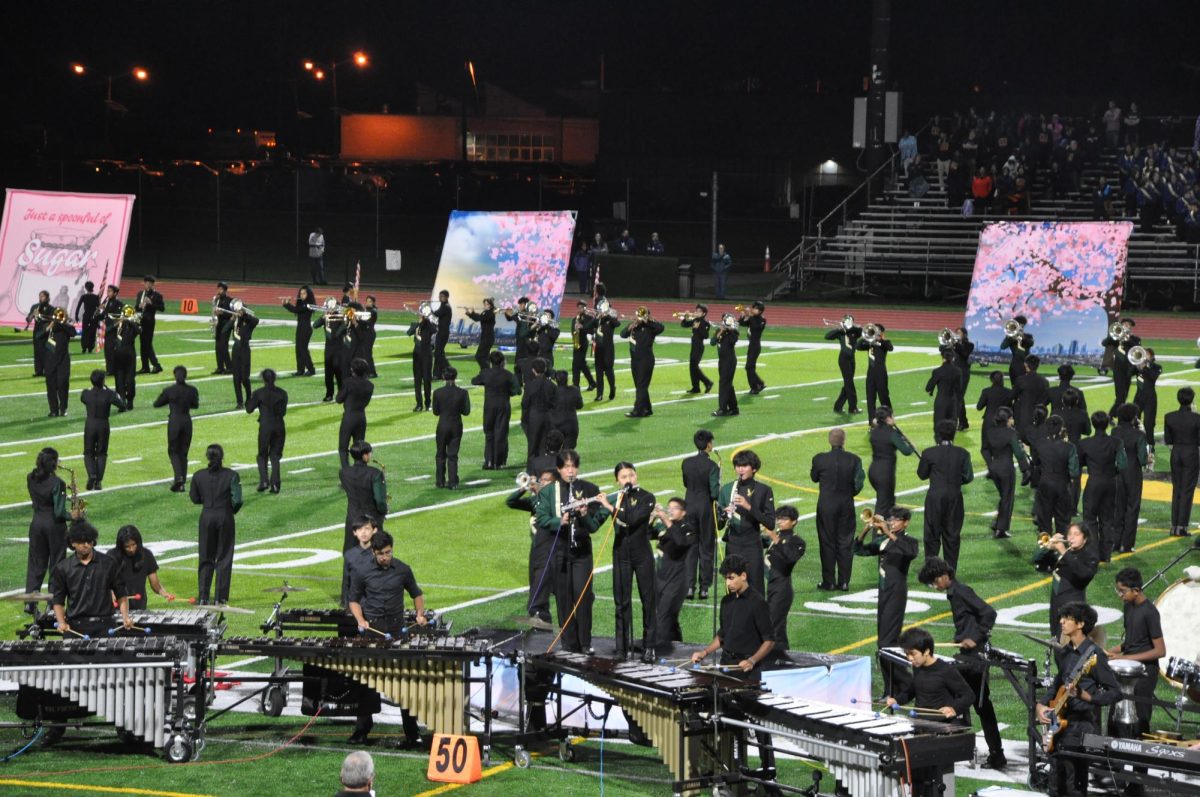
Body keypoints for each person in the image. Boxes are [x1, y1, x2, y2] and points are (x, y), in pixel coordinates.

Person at [690, 555, 776, 779]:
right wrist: (705, 652)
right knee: (729, 718)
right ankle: (734, 766)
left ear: (743, 576)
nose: (728, 583)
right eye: (726, 579)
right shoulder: (727, 602)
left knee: (758, 723)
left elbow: (769, 640)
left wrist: (752, 661)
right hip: (727, 666)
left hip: (748, 671)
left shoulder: (758, 602)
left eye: (731, 578)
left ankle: (769, 768)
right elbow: (723, 635)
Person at [918, 558, 1007, 769]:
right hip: (967, 653)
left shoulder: (961, 591)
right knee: (971, 701)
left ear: (943, 576)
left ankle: (993, 753)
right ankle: (973, 748)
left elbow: (989, 613)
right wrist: (961, 636)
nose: (934, 587)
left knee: (979, 704)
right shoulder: (954, 593)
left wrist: (975, 638)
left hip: (975, 657)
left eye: (933, 582)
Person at [347, 530, 427, 747]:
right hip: (373, 631)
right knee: (367, 682)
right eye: (381, 553)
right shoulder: (362, 571)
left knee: (404, 683)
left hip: (397, 630)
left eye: (388, 552)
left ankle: (412, 733)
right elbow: (353, 600)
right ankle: (362, 730)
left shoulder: (402, 569)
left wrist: (419, 614)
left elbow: (416, 594)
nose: (385, 557)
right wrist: (360, 619)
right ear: (373, 552)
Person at [1035, 602, 1119, 797]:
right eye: (1062, 617)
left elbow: (1115, 692)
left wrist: (1086, 696)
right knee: (1055, 783)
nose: (1061, 622)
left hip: (1081, 726)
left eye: (1068, 618)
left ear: (1080, 624)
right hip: (1059, 725)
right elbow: (1057, 685)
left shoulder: (1094, 655)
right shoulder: (1066, 653)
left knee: (1074, 786)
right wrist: (1040, 705)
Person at [533, 450, 613, 653]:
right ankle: (569, 643)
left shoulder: (589, 489)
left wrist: (584, 515)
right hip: (559, 551)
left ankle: (585, 643)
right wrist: (559, 521)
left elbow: (594, 525)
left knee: (583, 597)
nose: (571, 470)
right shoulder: (549, 491)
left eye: (573, 466)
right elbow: (541, 518)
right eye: (566, 466)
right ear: (559, 469)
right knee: (563, 598)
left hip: (581, 552)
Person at [885, 627, 976, 797]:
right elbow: (912, 690)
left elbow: (969, 695)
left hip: (938, 732)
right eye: (907, 654)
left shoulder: (945, 671)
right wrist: (897, 699)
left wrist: (953, 708)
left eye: (912, 654)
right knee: (915, 778)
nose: (909, 659)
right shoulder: (918, 667)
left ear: (926, 651)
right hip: (918, 727)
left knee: (935, 781)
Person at [855, 507, 919, 695]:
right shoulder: (883, 541)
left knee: (887, 642)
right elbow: (858, 549)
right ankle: (891, 689)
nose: (892, 521)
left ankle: (906, 684)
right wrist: (867, 529)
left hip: (896, 591)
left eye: (897, 519)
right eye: (891, 519)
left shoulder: (909, 541)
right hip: (883, 592)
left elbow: (909, 552)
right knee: (883, 644)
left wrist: (889, 532)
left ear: (906, 522)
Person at [608, 462, 658, 661]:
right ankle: (621, 648)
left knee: (648, 601)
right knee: (621, 603)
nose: (628, 479)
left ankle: (649, 647)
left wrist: (609, 506)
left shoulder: (647, 497)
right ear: (617, 480)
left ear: (636, 476)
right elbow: (595, 522)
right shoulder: (616, 498)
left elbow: (632, 519)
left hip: (642, 555)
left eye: (631, 475)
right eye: (623, 477)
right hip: (621, 554)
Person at [1106, 567, 1165, 738]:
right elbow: (1132, 642)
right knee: (1115, 711)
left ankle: (1141, 762)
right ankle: (1114, 757)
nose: (1120, 595)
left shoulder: (1150, 613)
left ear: (1136, 590)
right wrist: (1110, 652)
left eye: (1123, 591)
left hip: (1145, 672)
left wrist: (1124, 657)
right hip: (1127, 667)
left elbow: (1160, 650)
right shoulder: (1128, 607)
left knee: (1140, 717)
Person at [51, 520, 133, 636]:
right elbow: (58, 600)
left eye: (89, 541)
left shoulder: (108, 563)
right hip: (75, 627)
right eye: (82, 542)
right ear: (73, 543)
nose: (86, 545)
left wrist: (125, 617)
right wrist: (61, 622)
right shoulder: (63, 568)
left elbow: (121, 593)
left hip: (105, 626)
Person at [810, 429, 865, 591]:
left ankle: (829, 581)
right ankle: (844, 581)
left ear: (829, 441)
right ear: (844, 441)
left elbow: (814, 478)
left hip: (825, 505)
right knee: (845, 542)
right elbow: (859, 483)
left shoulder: (819, 459)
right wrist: (849, 493)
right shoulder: (854, 460)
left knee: (826, 542)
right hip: (846, 504)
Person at [189, 444, 243, 605]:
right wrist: (229, 510)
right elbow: (238, 500)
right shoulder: (232, 475)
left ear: (207, 457)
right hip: (225, 516)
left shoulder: (198, 475)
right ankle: (221, 597)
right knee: (224, 557)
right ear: (222, 457)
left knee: (205, 556)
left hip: (206, 516)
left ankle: (204, 596)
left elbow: (194, 498)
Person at [917, 420, 973, 571]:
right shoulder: (963, 453)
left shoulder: (929, 453)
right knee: (952, 535)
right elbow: (968, 477)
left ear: (938, 435)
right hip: (955, 497)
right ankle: (950, 571)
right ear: (954, 434)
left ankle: (932, 570)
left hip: (935, 497)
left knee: (932, 535)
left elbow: (921, 475)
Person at [720, 449, 777, 596]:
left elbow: (770, 523)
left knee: (755, 588)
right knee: (733, 588)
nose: (740, 469)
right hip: (733, 544)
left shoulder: (764, 490)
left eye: (744, 465)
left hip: (752, 545)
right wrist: (723, 516)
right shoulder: (727, 490)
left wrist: (749, 507)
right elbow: (719, 525)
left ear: (754, 468)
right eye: (738, 466)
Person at [506, 468, 557, 625]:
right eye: (541, 480)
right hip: (535, 547)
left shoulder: (554, 501)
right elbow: (511, 501)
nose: (541, 482)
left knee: (543, 586)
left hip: (550, 548)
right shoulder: (535, 501)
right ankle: (538, 618)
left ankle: (542, 617)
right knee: (535, 582)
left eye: (546, 480)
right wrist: (524, 487)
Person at [340, 442, 388, 605]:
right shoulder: (374, 474)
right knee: (374, 557)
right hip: (370, 520)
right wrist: (383, 512)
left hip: (352, 519)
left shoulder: (344, 472)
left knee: (350, 556)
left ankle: (346, 598)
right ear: (365, 455)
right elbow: (380, 501)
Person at [25, 448, 71, 615]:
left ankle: (30, 601)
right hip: (54, 525)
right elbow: (59, 512)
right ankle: (53, 603)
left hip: (36, 523)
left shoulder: (30, 478)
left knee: (36, 562)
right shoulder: (57, 483)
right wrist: (73, 515)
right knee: (57, 564)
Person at [1077, 412, 1127, 560]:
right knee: (1107, 520)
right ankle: (1106, 554)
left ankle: (1093, 553)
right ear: (1106, 424)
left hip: (1093, 482)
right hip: (1111, 482)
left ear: (1093, 424)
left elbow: (1079, 464)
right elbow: (1123, 464)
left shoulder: (1084, 443)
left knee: (1090, 518)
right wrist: (1113, 470)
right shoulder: (1116, 442)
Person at [1038, 522, 1098, 639]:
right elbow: (1039, 563)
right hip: (1056, 604)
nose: (1071, 537)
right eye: (1070, 534)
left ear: (1085, 539)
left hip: (1072, 609)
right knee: (1055, 640)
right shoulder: (1068, 552)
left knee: (1067, 645)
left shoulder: (1089, 556)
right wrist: (1048, 549)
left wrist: (1063, 551)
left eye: (1076, 534)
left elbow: (1083, 574)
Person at [652, 498, 696, 653]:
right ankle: (678, 648)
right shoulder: (663, 525)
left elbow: (681, 542)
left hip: (677, 580)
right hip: (660, 578)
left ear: (683, 512)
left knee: (662, 617)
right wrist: (651, 519)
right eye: (668, 507)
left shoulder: (687, 527)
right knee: (670, 618)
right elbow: (645, 534)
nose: (670, 510)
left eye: (674, 508)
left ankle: (659, 652)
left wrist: (666, 520)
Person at [682, 429, 720, 600]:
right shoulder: (712, 466)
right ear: (709, 444)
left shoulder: (686, 463)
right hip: (705, 508)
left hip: (688, 505)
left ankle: (689, 587)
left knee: (690, 547)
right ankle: (704, 587)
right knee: (706, 547)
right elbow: (714, 493)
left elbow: (685, 483)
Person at [981, 407, 1030, 539]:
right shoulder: (1011, 433)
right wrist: (1025, 469)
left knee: (1004, 497)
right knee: (1007, 498)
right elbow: (1019, 453)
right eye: (1011, 418)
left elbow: (984, 450)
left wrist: (990, 465)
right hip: (1006, 468)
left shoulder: (990, 432)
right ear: (1007, 420)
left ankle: (997, 522)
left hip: (994, 468)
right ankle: (1001, 529)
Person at [764, 505, 806, 652]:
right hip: (772, 585)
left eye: (784, 519)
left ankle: (777, 655)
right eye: (778, 518)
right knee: (776, 626)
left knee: (774, 624)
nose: (779, 521)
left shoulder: (797, 541)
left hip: (782, 586)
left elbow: (790, 558)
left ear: (794, 521)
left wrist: (775, 539)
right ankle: (782, 656)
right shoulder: (778, 536)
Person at [153, 366, 200, 492]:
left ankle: (178, 478)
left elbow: (157, 404)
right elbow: (195, 405)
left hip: (174, 421)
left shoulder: (170, 390)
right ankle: (182, 482)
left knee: (173, 451)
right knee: (183, 452)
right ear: (186, 375)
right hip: (187, 421)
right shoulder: (192, 390)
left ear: (175, 375)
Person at [1031, 416, 1079, 537]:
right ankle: (1060, 550)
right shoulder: (1069, 447)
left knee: (1044, 521)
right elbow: (1074, 472)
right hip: (1062, 486)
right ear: (1061, 429)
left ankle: (1045, 549)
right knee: (1062, 521)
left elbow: (1035, 462)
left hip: (1045, 484)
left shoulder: (1040, 444)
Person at [80, 369, 127, 490]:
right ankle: (98, 482)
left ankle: (92, 474)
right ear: (103, 381)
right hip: (103, 424)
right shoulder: (109, 394)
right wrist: (109, 390)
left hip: (90, 424)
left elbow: (84, 398)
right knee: (101, 453)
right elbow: (122, 404)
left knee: (88, 453)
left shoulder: (86, 393)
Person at [472, 351, 519, 470]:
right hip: (503, 405)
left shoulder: (486, 373)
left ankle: (488, 461)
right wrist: (508, 392)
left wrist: (484, 376)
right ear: (503, 361)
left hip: (489, 406)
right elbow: (517, 390)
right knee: (501, 434)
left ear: (490, 361)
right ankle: (499, 462)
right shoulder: (507, 374)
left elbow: (474, 381)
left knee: (489, 433)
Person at [1112, 403, 1149, 552]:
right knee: (1132, 507)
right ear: (1134, 417)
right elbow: (1143, 459)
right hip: (1133, 473)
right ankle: (1127, 545)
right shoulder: (1139, 435)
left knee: (1118, 507)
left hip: (1117, 473)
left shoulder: (1115, 431)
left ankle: (1115, 542)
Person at [110, 525, 175, 610]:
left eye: (133, 545)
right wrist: (111, 593)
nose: (131, 549)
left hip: (139, 607)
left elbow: (155, 584)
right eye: (127, 546)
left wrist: (164, 593)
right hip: (117, 608)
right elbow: (105, 581)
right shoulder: (112, 556)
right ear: (121, 546)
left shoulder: (146, 555)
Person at [244, 368, 288, 494]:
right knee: (275, 456)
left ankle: (264, 481)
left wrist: (250, 397)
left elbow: (249, 409)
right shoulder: (283, 393)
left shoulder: (259, 393)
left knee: (262, 455)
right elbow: (283, 412)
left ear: (263, 379)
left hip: (265, 426)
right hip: (279, 425)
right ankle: (275, 485)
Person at [1164, 387, 1200, 536]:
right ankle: (1182, 526)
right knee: (1187, 490)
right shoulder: (1197, 418)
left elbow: (1168, 440)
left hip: (1176, 452)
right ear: (1192, 400)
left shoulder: (1169, 416)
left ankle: (1174, 526)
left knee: (1177, 488)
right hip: (1191, 452)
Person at [868, 407, 915, 518]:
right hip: (885, 473)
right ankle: (877, 534)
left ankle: (888, 531)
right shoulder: (892, 433)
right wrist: (912, 445)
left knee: (889, 503)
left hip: (873, 471)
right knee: (883, 507)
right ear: (888, 418)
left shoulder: (873, 432)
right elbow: (907, 451)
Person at [620, 309, 665, 418]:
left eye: (642, 315)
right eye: (638, 315)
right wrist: (630, 327)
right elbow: (622, 334)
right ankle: (647, 409)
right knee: (640, 386)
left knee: (641, 386)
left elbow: (661, 328)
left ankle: (638, 410)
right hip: (634, 360)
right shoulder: (634, 326)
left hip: (646, 360)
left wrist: (648, 321)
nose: (639, 317)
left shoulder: (651, 327)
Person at [432, 366, 470, 489]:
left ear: (443, 377)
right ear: (455, 377)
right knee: (453, 455)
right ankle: (453, 482)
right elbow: (466, 411)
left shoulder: (437, 393)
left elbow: (436, 412)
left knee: (440, 454)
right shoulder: (463, 393)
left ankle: (440, 481)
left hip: (442, 425)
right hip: (456, 425)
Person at [336, 358, 374, 468]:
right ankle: (361, 472)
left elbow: (339, 399)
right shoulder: (370, 385)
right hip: (361, 417)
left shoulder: (348, 382)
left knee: (343, 448)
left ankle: (346, 472)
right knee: (360, 448)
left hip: (349, 417)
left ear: (353, 370)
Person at [520, 357, 556, 471]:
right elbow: (556, 403)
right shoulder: (551, 385)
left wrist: (524, 419)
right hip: (548, 417)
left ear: (533, 370)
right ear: (545, 369)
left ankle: (530, 473)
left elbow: (524, 403)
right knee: (543, 447)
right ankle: (543, 472)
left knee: (532, 447)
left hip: (534, 416)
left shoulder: (529, 385)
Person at [226, 301, 259, 409]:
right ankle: (239, 402)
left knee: (245, 378)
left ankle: (249, 397)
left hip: (245, 349)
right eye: (237, 310)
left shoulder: (249, 321)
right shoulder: (235, 320)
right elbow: (224, 331)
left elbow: (256, 320)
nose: (238, 311)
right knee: (236, 378)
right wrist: (232, 319)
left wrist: (244, 315)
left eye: (240, 309)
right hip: (235, 349)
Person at [1102, 318, 1140, 412]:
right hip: (1118, 369)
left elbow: (1137, 348)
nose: (1127, 325)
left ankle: (1112, 415)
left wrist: (1127, 338)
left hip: (1129, 370)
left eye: (1129, 324)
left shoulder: (1135, 339)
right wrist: (1114, 336)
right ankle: (1113, 416)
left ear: (1131, 327)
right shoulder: (1116, 339)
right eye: (1125, 324)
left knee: (1125, 395)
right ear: (1121, 325)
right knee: (1120, 396)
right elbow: (1104, 343)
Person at [825, 317, 862, 414]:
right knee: (849, 383)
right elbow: (827, 336)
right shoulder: (840, 333)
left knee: (848, 384)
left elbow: (860, 330)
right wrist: (838, 329)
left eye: (849, 321)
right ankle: (853, 407)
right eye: (846, 321)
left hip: (852, 359)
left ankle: (838, 406)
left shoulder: (855, 331)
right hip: (843, 359)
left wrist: (851, 327)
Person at [43, 310, 76, 417]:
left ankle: (63, 408)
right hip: (49, 360)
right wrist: (51, 324)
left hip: (63, 360)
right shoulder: (49, 326)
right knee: (51, 385)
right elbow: (39, 336)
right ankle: (53, 410)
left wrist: (62, 323)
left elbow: (73, 333)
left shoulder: (66, 328)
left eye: (61, 316)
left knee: (63, 384)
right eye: (57, 316)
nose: (58, 318)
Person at [857, 324, 894, 417]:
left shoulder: (885, 342)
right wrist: (865, 337)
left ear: (880, 332)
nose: (874, 332)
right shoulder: (869, 343)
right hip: (870, 374)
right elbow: (858, 346)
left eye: (876, 330)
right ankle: (872, 423)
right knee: (870, 399)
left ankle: (889, 417)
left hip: (881, 373)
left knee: (883, 396)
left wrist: (880, 340)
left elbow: (890, 348)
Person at [282, 286, 317, 376]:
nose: (302, 295)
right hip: (300, 327)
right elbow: (297, 309)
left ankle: (311, 369)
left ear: (308, 294)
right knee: (298, 349)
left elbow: (296, 310)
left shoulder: (308, 304)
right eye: (300, 293)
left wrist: (286, 304)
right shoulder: (302, 303)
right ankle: (300, 370)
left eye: (304, 293)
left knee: (303, 349)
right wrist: (287, 302)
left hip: (305, 328)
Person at [1013, 355, 1051, 440]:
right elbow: (1046, 400)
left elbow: (1013, 396)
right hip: (1038, 418)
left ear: (1026, 365)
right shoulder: (1045, 382)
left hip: (1022, 418)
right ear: (1037, 365)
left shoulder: (1020, 380)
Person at [926, 348, 962, 435]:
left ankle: (939, 445)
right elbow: (959, 389)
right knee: (951, 426)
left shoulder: (937, 371)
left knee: (939, 425)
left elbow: (928, 388)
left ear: (943, 357)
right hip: (952, 401)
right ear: (953, 358)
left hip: (941, 401)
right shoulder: (958, 371)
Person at [592, 289, 619, 402]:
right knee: (598, 372)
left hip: (608, 349)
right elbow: (589, 327)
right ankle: (599, 394)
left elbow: (617, 324)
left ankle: (612, 388)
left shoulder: (611, 319)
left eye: (604, 307)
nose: (601, 309)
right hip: (598, 349)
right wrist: (597, 318)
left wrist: (607, 315)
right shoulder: (597, 319)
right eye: (601, 307)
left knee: (608, 371)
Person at [133, 275, 164, 374]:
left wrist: (151, 303)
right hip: (140, 320)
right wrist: (139, 306)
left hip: (149, 322)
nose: (148, 285)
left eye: (150, 283)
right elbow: (136, 308)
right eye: (146, 283)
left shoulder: (157, 295)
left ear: (153, 284)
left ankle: (156, 365)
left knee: (147, 344)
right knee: (143, 344)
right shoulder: (140, 294)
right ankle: (145, 367)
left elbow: (162, 308)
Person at [406, 306, 435, 411]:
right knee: (417, 380)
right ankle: (419, 404)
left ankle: (428, 403)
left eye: (421, 314)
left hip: (427, 356)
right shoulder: (416, 325)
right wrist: (419, 323)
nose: (420, 316)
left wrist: (426, 320)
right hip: (417, 356)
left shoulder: (429, 326)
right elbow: (408, 332)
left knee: (427, 380)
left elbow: (434, 330)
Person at [711, 313, 740, 416]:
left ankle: (723, 409)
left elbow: (733, 341)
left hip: (730, 361)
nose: (725, 322)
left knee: (724, 384)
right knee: (727, 385)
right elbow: (712, 342)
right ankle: (734, 408)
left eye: (727, 320)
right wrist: (721, 331)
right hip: (722, 361)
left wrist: (729, 329)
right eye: (724, 320)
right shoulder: (719, 331)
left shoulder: (734, 332)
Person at [1132, 347, 1161, 449]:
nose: (1145, 355)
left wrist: (1144, 367)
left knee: (1149, 423)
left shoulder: (1157, 367)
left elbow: (1153, 377)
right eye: (1143, 354)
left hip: (1150, 398)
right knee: (1134, 421)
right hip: (1138, 397)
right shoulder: (1137, 367)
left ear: (1152, 356)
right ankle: (1135, 444)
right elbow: (1128, 373)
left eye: (1147, 354)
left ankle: (1150, 444)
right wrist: (1135, 364)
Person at [111, 304, 139, 410]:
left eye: (129, 313)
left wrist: (130, 321)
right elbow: (108, 331)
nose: (126, 315)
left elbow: (139, 331)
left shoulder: (133, 325)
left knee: (130, 380)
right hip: (117, 356)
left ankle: (130, 400)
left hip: (130, 356)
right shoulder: (118, 324)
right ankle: (121, 402)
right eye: (125, 313)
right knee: (119, 381)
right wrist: (117, 324)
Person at [504, 296, 535, 389]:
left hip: (526, 342)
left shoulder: (529, 314)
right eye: (520, 304)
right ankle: (519, 382)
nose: (520, 306)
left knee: (523, 362)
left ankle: (525, 382)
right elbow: (511, 318)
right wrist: (507, 313)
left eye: (521, 304)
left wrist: (512, 315)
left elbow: (520, 321)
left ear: (526, 305)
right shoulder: (520, 314)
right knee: (518, 363)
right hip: (520, 341)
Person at [682, 304, 713, 394]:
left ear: (704, 314)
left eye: (699, 311)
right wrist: (686, 317)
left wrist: (698, 327)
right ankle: (696, 387)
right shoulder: (695, 320)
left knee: (694, 366)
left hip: (699, 347)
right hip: (694, 346)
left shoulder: (705, 323)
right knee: (692, 367)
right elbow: (684, 324)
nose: (696, 312)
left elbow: (705, 336)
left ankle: (708, 382)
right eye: (696, 311)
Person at [567, 301, 597, 391]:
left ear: (585, 308)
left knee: (576, 364)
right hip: (576, 342)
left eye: (582, 307)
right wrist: (575, 329)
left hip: (583, 342)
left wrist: (582, 327)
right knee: (581, 364)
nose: (580, 309)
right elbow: (573, 331)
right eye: (578, 307)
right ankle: (592, 382)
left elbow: (592, 330)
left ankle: (576, 385)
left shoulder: (589, 318)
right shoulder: (574, 319)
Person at [550, 370, 583, 450]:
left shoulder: (552, 392)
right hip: (572, 425)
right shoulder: (575, 390)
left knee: (556, 452)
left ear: (556, 380)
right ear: (567, 379)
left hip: (556, 426)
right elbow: (580, 405)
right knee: (569, 453)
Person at [739, 301, 767, 395]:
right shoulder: (752, 318)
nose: (753, 309)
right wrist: (744, 315)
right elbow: (742, 323)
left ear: (760, 311)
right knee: (750, 367)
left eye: (755, 308)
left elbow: (756, 327)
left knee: (749, 367)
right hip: (752, 345)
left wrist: (749, 316)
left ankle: (758, 384)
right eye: (753, 307)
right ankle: (756, 386)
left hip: (755, 346)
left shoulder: (762, 319)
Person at [999, 315, 1033, 387]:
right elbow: (1002, 347)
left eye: (1022, 326)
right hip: (1015, 366)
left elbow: (1031, 343)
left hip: (1026, 366)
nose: (1020, 328)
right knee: (1015, 387)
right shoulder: (1011, 337)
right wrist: (1008, 337)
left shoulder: (1028, 336)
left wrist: (1022, 337)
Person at [951, 329, 974, 429]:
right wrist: (951, 343)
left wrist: (956, 344)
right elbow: (941, 348)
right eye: (956, 333)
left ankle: (955, 422)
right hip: (953, 373)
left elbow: (964, 354)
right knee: (959, 398)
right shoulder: (953, 344)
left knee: (958, 398)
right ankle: (964, 422)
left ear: (964, 335)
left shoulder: (969, 345)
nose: (957, 334)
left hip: (963, 374)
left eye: (959, 333)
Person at [466, 298, 497, 372]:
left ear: (490, 305)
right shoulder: (487, 312)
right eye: (484, 304)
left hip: (488, 338)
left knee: (479, 356)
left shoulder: (490, 313)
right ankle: (485, 373)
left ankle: (487, 371)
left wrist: (472, 313)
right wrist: (470, 313)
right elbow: (479, 318)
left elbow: (481, 317)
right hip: (486, 338)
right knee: (485, 357)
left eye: (486, 304)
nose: (485, 305)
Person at [26, 289, 52, 377]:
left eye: (43, 296)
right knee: (37, 351)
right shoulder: (35, 307)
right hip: (37, 331)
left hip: (46, 331)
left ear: (47, 298)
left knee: (46, 351)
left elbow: (51, 320)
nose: (41, 298)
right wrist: (32, 315)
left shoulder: (50, 308)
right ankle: (38, 371)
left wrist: (41, 316)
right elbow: (28, 319)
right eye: (40, 296)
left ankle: (47, 370)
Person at [212, 282, 233, 375]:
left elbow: (232, 314)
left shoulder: (229, 300)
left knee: (224, 347)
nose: (219, 291)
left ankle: (229, 368)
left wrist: (222, 313)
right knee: (217, 347)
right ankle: (220, 367)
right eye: (218, 289)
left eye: (221, 289)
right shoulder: (216, 300)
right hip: (218, 326)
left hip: (226, 326)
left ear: (225, 290)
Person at [74, 281, 101, 354]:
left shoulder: (84, 296)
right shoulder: (96, 297)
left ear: (86, 288)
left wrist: (76, 316)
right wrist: (98, 319)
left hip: (86, 316)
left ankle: (84, 347)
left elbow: (78, 307)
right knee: (92, 332)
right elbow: (98, 309)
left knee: (85, 332)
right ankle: (90, 348)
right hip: (94, 317)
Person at [432, 289, 452, 379]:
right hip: (441, 331)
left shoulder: (446, 306)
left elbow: (437, 313)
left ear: (447, 297)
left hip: (443, 333)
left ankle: (449, 370)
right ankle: (437, 374)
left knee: (438, 354)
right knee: (438, 353)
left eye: (442, 296)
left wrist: (428, 309)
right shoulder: (443, 305)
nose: (440, 298)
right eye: (439, 296)